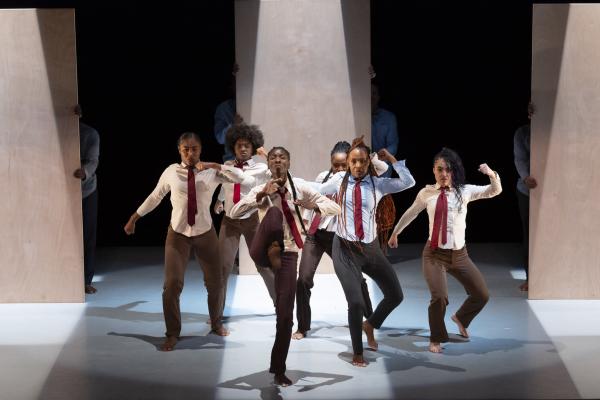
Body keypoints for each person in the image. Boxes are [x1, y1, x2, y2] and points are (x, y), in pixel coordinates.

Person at [123, 132, 246, 351]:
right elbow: (155, 196)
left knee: (215, 283)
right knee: (171, 285)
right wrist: (134, 218)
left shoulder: (211, 172)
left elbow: (241, 178)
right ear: (179, 150)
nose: (190, 153)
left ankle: (216, 323)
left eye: (194, 149)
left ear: (200, 149)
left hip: (205, 232)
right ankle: (172, 333)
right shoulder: (171, 171)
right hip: (178, 233)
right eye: (185, 149)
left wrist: (214, 165)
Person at [229, 147, 340, 386]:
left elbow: (335, 208)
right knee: (272, 215)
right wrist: (261, 196)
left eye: (282, 158)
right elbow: (234, 212)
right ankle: (273, 254)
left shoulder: (300, 187)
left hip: (287, 254)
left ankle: (278, 368)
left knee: (286, 316)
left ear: (289, 162)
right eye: (273, 158)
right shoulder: (261, 188)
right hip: (263, 249)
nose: (277, 160)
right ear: (269, 164)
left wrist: (311, 206)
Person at [388, 148, 502, 353]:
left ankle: (461, 318)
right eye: (440, 169)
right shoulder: (426, 193)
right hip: (434, 254)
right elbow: (411, 213)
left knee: (481, 294)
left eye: (448, 170)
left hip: (459, 255)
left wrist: (491, 174)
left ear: (453, 171)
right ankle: (436, 338)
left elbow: (494, 191)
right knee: (439, 297)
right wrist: (395, 233)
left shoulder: (464, 191)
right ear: (433, 170)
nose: (444, 174)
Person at [317, 137, 415, 367]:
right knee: (355, 303)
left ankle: (370, 325)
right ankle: (358, 352)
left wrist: (392, 160)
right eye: (354, 161)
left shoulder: (377, 184)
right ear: (348, 163)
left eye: (362, 161)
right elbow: (316, 189)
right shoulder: (339, 181)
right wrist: (293, 187)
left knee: (395, 296)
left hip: (370, 249)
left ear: (368, 162)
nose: (358, 165)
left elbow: (409, 182)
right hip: (344, 249)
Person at [292, 141, 390, 340]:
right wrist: (305, 219)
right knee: (303, 279)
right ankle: (302, 326)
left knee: (357, 279)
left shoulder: (357, 180)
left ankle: (369, 319)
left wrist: (370, 156)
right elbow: (314, 196)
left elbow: (382, 168)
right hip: (316, 235)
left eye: (343, 165)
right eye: (335, 164)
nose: (339, 169)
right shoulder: (324, 178)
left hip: (339, 237)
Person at [214, 123, 276, 314]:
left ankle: (280, 303)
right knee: (222, 268)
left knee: (263, 264)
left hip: (251, 221)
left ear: (253, 147)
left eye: (247, 145)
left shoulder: (261, 168)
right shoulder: (228, 166)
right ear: (233, 147)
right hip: (229, 222)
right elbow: (225, 186)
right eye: (239, 145)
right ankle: (216, 313)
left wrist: (266, 154)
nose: (242, 149)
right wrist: (219, 201)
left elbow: (279, 172)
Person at [73, 105, 100, 295]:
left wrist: (84, 172)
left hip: (86, 190)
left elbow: (93, 160)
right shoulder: (56, 133)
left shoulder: (90, 134)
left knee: (87, 235)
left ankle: (86, 280)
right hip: (61, 190)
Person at [514, 102, 536, 291]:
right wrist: (526, 177)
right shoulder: (523, 133)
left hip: (552, 192)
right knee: (529, 234)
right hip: (527, 190)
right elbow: (519, 159)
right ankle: (531, 278)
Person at [371, 83, 399, 178]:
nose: (371, 97)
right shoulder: (357, 116)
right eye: (368, 93)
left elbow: (393, 145)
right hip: (361, 166)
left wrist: (379, 156)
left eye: (374, 93)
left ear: (378, 97)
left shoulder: (389, 118)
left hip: (383, 166)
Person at [214, 64, 241, 162]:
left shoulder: (258, 104)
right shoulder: (224, 108)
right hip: (232, 162)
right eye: (236, 82)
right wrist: (233, 126)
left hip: (255, 162)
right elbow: (220, 139)